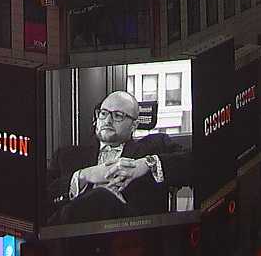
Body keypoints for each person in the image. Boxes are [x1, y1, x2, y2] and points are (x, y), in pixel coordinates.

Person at [47, 89, 190, 224]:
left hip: (133, 235)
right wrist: (83, 176)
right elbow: (42, 197)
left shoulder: (155, 146)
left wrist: (147, 164)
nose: (107, 120)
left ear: (134, 125)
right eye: (103, 113)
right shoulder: (66, 156)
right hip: (76, 236)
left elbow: (198, 161)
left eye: (118, 115)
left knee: (102, 196)